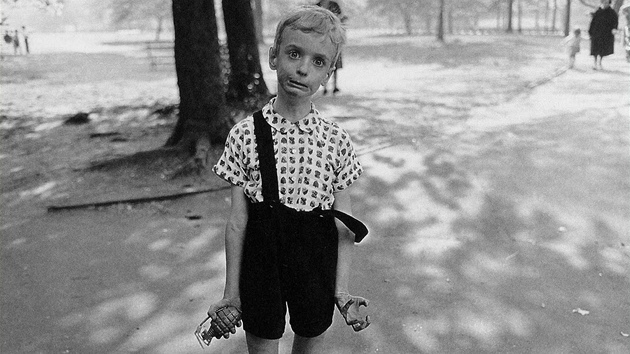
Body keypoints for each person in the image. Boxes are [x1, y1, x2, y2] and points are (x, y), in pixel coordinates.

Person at [206, 5, 370, 353]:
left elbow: (346, 225)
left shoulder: (336, 140)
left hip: (316, 263)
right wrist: (231, 294)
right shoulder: (245, 134)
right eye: (294, 53)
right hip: (261, 263)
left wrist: (340, 291)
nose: (302, 68)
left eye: (318, 62)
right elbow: (237, 222)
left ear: (329, 73)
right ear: (273, 57)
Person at [317, 0, 347, 95]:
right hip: (321, 40)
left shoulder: (334, 5)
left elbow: (340, 20)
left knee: (334, 64)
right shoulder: (317, 7)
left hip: (334, 38)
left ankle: (334, 86)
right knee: (323, 63)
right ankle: (324, 86)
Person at [588, 0, 618, 70]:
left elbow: (615, 22)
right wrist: (590, 31)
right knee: (595, 49)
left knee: (602, 49)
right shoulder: (598, 11)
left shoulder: (612, 13)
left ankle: (600, 62)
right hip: (596, 33)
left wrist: (614, 28)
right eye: (604, 2)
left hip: (605, 34)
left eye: (607, 3)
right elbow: (593, 22)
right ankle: (595, 63)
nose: (605, 4)